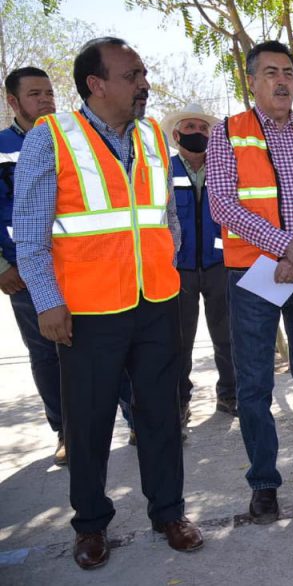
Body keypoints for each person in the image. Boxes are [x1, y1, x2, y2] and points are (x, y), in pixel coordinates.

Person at [13, 37, 203, 569]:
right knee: (90, 422)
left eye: (143, 72)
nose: (144, 83)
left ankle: (169, 512)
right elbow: (29, 232)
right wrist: (48, 302)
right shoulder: (52, 138)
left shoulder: (150, 136)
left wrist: (167, 264)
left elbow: (166, 216)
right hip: (88, 311)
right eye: (132, 75)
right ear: (96, 85)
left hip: (156, 300)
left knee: (161, 416)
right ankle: (91, 524)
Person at [206, 40, 293, 524]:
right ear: (251, 81)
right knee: (254, 385)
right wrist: (286, 247)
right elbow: (224, 204)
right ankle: (264, 483)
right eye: (270, 72)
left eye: (288, 72)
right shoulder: (228, 133)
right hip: (252, 274)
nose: (282, 80)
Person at [1, 67, 63, 465]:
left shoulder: (71, 140)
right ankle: (66, 432)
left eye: (49, 92)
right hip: (23, 272)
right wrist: (2, 265)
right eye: (35, 94)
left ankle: (132, 419)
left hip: (78, 267)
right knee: (45, 355)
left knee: (106, 346)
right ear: (13, 101)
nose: (45, 100)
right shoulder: (1, 147)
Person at [164, 103, 237, 421]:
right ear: (177, 134)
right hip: (177, 270)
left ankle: (231, 396)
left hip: (220, 265)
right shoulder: (163, 171)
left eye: (203, 128)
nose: (197, 133)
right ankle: (179, 402)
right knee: (178, 342)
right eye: (190, 128)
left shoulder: (226, 169)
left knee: (228, 337)